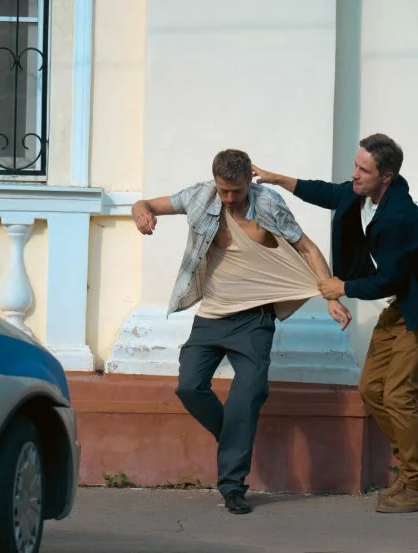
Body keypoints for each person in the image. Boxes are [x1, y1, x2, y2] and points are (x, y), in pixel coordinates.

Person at [130, 148, 351, 514]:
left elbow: (308, 248)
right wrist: (141, 213)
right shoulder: (200, 196)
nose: (229, 198)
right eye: (223, 190)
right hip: (212, 316)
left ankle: (232, 487)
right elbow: (145, 203)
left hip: (254, 320)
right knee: (189, 387)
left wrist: (330, 296)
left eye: (236, 190)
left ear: (250, 180)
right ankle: (234, 438)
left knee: (246, 397)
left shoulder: (269, 204)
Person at [251, 133, 418, 513]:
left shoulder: (399, 216)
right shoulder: (361, 194)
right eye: (355, 165)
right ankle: (411, 472)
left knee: (397, 395)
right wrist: (278, 179)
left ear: (386, 177)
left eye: (364, 170)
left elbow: (390, 279)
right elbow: (327, 192)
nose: (355, 175)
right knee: (372, 389)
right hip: (400, 307)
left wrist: (341, 287)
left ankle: (415, 485)